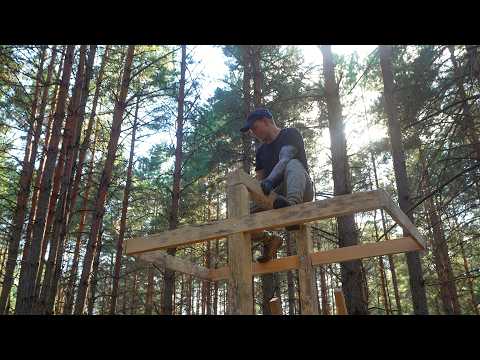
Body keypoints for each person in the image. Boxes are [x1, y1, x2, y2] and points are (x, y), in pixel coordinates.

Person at [240, 108, 313, 262]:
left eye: (255, 127)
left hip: (300, 188)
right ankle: (270, 241)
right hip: (277, 198)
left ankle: (292, 210)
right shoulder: (260, 151)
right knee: (242, 215)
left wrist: (270, 181)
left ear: (266, 121)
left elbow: (285, 159)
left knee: (293, 164)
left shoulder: (290, 134)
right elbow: (260, 182)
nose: (253, 133)